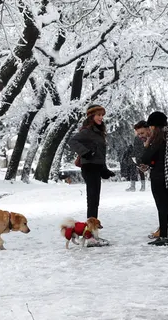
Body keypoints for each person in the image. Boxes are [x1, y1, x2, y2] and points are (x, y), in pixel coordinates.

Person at [67, 104, 115, 246]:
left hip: (96, 168)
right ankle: (90, 235)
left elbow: (100, 154)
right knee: (92, 201)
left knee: (95, 201)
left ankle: (91, 233)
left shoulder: (98, 132)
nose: (101, 118)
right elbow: (72, 141)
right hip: (89, 168)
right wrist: (85, 152)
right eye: (98, 115)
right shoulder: (87, 131)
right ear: (91, 116)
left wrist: (104, 169)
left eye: (102, 115)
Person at [139, 111, 168, 246]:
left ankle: (163, 237)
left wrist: (147, 145)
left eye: (151, 126)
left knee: (162, 207)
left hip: (159, 176)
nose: (150, 128)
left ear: (154, 126)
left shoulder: (159, 137)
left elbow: (146, 158)